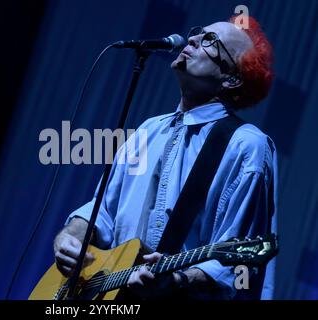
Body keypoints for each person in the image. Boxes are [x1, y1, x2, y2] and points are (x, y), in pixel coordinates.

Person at [53, 15, 277, 299]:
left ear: (232, 78)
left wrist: (179, 279)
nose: (193, 38)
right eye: (197, 32)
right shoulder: (149, 129)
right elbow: (102, 214)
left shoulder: (245, 146)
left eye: (210, 41)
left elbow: (237, 263)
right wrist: (70, 237)